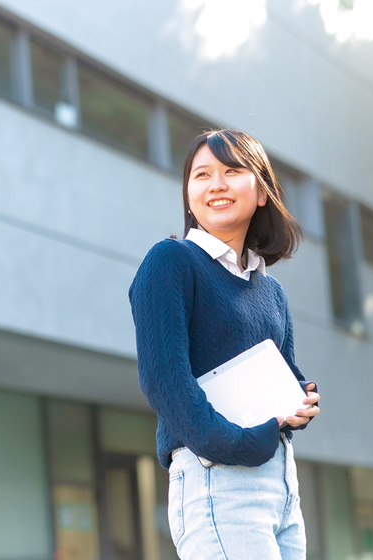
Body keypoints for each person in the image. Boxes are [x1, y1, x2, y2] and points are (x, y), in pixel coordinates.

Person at [128, 129, 321, 560]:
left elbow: (284, 374)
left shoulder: (272, 292)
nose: (216, 184)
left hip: (281, 484)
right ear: (189, 193)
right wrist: (234, 445)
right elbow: (164, 381)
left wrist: (300, 402)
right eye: (202, 175)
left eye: (232, 171)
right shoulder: (171, 261)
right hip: (218, 477)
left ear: (262, 193)